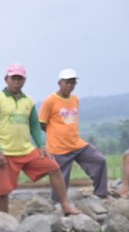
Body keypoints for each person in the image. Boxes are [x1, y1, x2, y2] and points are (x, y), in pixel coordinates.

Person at [0, 63, 80, 216]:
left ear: (24, 80)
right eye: (13, 78)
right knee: (3, 191)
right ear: (6, 79)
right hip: (6, 153)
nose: (16, 81)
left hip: (27, 150)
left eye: (19, 78)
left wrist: (41, 145)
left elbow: (35, 125)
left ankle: (65, 204)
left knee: (54, 167)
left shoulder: (28, 101)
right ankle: (3, 222)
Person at [39, 68, 108, 200]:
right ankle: (58, 207)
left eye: (73, 83)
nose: (70, 86)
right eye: (67, 82)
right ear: (60, 83)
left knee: (99, 161)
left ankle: (101, 195)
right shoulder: (49, 101)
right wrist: (56, 133)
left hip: (77, 144)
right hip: (58, 148)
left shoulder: (75, 99)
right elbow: (42, 123)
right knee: (60, 181)